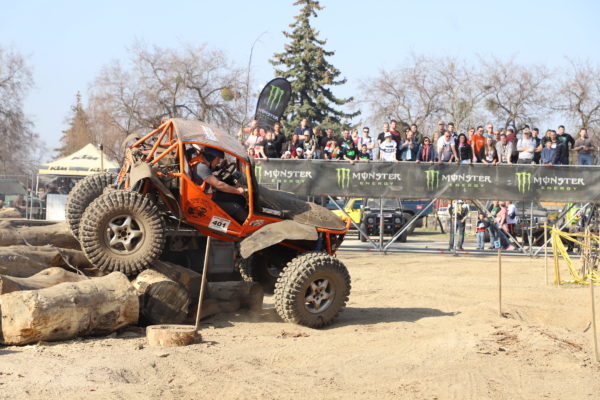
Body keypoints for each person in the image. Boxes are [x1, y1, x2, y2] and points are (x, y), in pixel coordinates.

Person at [191, 146, 247, 224]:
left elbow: (213, 172)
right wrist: (237, 190)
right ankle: (247, 227)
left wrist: (221, 167)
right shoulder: (202, 167)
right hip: (206, 200)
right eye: (218, 160)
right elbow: (219, 184)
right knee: (237, 208)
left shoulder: (203, 164)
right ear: (211, 157)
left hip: (208, 196)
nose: (218, 162)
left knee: (238, 198)